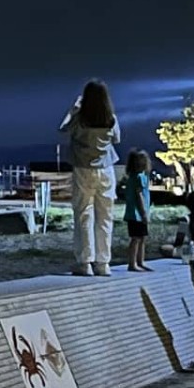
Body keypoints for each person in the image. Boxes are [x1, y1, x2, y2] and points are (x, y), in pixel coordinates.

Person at [59, 81, 121, 276]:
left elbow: (63, 129)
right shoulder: (110, 119)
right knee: (105, 217)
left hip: (83, 169)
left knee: (84, 214)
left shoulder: (79, 119)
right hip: (106, 169)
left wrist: (73, 109)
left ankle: (85, 262)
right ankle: (103, 263)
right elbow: (117, 139)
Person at [122, 149, 153, 272]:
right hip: (136, 214)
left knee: (142, 237)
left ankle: (140, 261)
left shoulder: (141, 176)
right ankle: (132, 263)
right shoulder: (138, 178)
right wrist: (143, 213)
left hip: (138, 213)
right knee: (136, 238)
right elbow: (139, 196)